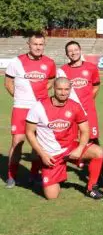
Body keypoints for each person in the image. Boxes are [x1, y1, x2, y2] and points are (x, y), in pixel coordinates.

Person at [24, 77, 103, 200]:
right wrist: (42, 154)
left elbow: (85, 130)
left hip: (70, 148)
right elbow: (29, 132)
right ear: (53, 89)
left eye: (66, 89)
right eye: (60, 89)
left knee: (98, 152)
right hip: (51, 155)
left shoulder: (75, 106)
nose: (63, 93)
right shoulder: (39, 107)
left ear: (70, 89)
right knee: (52, 196)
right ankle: (44, 174)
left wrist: (80, 148)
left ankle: (91, 188)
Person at [5, 33, 56, 188]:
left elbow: (51, 80)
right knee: (17, 141)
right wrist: (19, 97)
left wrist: (40, 96)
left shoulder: (49, 63)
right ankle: (11, 176)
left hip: (40, 109)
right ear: (28, 44)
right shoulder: (16, 62)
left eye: (41, 44)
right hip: (21, 108)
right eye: (35, 44)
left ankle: (34, 175)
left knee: (38, 143)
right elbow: (8, 83)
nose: (38, 47)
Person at [57, 40, 101, 143]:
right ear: (67, 54)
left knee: (92, 140)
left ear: (80, 50)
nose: (73, 53)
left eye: (76, 50)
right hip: (71, 112)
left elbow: (96, 86)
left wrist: (88, 100)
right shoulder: (62, 71)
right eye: (70, 51)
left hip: (88, 111)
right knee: (73, 141)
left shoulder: (91, 67)